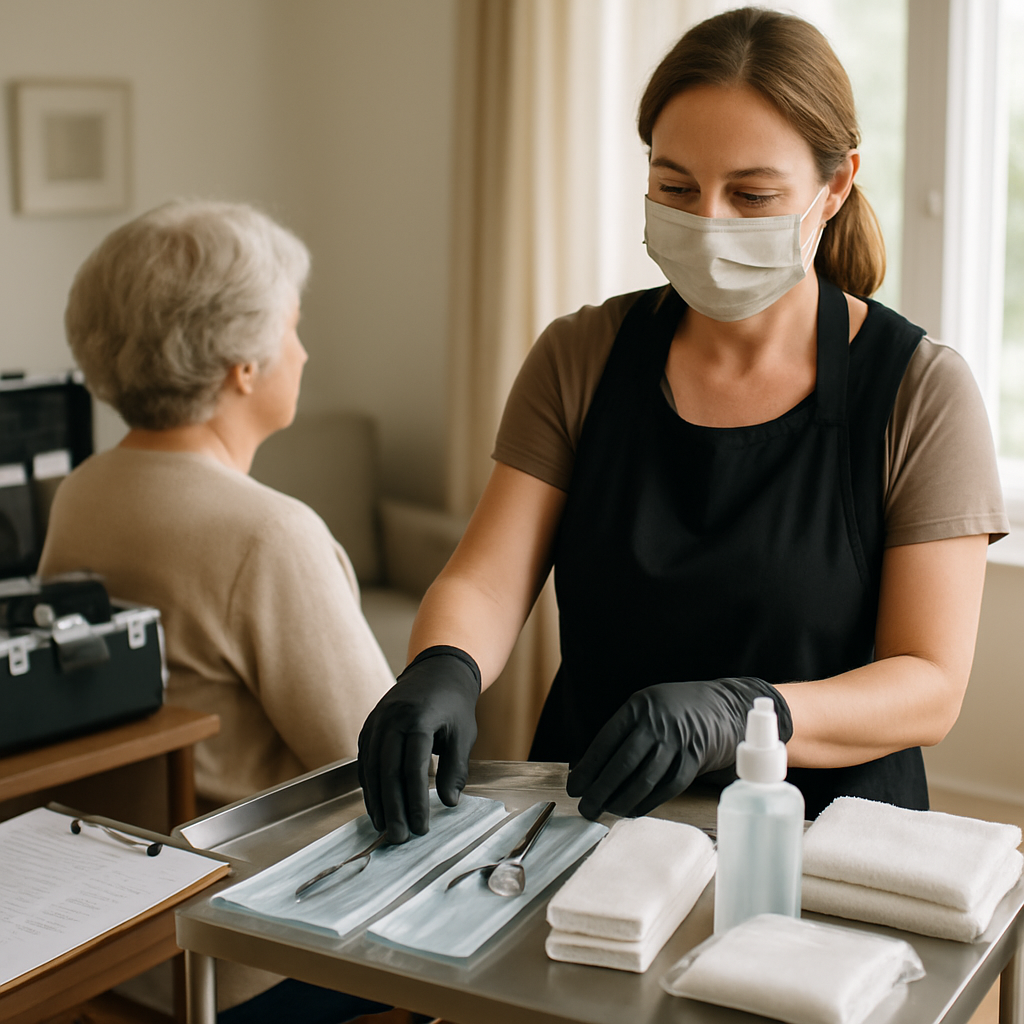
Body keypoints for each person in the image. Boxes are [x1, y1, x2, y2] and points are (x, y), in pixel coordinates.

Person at [358, 7, 1009, 845]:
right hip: (589, 824)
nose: (708, 222)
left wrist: (745, 712)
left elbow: (928, 684)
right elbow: (486, 581)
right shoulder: (581, 355)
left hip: (822, 843)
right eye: (675, 187)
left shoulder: (921, 391)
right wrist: (442, 666)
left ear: (835, 185)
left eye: (751, 195)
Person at [38, 201, 402, 1020]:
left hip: (107, 933)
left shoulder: (82, 493)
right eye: (294, 327)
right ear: (243, 363)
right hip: (244, 959)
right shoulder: (269, 534)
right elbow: (389, 764)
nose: (303, 351)